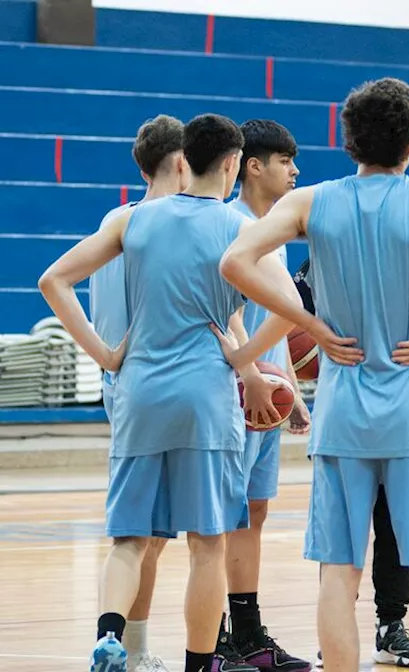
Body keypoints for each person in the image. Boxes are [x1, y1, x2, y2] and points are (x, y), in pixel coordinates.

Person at [218, 76, 409, 672]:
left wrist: (309, 321)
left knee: (339, 570)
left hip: (343, 410)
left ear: (348, 137)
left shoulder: (309, 203)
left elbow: (235, 261)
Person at [43, 112, 295, 672]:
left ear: (188, 159)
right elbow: (291, 310)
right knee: (207, 544)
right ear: (232, 163)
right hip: (205, 397)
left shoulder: (134, 221)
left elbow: (52, 281)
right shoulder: (240, 231)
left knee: (130, 540)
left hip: (138, 392)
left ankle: (111, 635)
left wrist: (107, 355)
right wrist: (243, 357)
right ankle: (198, 665)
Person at [304, 255, 409, 669]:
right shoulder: (324, 256)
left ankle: (391, 626)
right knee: (340, 551)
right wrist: (311, 334)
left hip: (407, 416)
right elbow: (292, 304)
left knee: (394, 532)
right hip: (349, 415)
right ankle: (334, 637)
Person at [87, 114, 191, 672]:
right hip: (164, 384)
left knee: (144, 534)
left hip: (120, 386)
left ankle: (127, 646)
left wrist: (104, 356)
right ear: (181, 162)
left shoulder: (115, 219)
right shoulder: (169, 226)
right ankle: (139, 647)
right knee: (156, 535)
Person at [219, 118, 314, 672]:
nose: (295, 171)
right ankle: (220, 637)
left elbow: (277, 320)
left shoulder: (273, 232)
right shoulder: (229, 225)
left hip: (265, 399)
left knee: (253, 514)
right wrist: (253, 372)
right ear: (253, 165)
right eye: (285, 161)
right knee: (224, 519)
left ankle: (250, 635)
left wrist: (292, 390)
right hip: (233, 396)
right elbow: (224, 310)